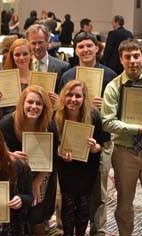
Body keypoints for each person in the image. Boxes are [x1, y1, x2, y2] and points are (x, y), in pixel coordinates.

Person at [59, 31, 116, 236]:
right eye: (81, 46)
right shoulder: (68, 75)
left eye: (89, 46)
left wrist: (105, 107)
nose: (85, 50)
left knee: (98, 188)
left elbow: (117, 111)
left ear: (97, 48)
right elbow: (61, 107)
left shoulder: (109, 75)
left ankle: (98, 229)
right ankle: (64, 228)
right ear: (76, 50)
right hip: (72, 140)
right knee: (69, 189)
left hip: (101, 139)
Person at [102, 39, 142, 235]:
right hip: (124, 153)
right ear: (121, 60)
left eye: (136, 56)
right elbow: (107, 122)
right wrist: (137, 129)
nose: (132, 60)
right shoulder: (113, 87)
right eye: (128, 57)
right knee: (124, 205)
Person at [0, 85, 59, 235]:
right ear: (22, 103)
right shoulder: (7, 123)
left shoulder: (50, 126)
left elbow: (52, 158)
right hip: (13, 175)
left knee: (37, 217)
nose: (34, 107)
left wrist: (37, 182)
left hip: (42, 174)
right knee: (17, 216)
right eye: (30, 102)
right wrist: (10, 155)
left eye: (39, 104)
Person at [54, 80, 103, 235]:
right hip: (64, 166)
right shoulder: (55, 117)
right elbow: (51, 145)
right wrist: (59, 152)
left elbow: (101, 144)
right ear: (63, 96)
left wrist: (95, 147)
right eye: (70, 95)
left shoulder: (93, 116)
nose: (73, 99)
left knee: (83, 205)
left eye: (78, 96)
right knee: (67, 205)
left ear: (84, 98)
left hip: (86, 166)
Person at [25, 24, 70, 101]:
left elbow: (67, 96)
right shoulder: (23, 66)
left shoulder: (63, 67)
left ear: (47, 41)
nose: (37, 47)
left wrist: (59, 101)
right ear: (28, 43)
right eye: (33, 43)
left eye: (40, 42)